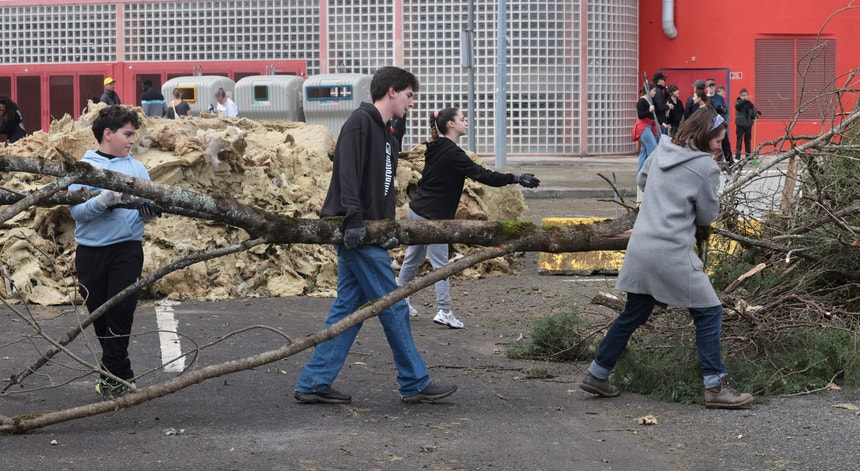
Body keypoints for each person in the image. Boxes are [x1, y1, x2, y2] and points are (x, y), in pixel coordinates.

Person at [294, 66, 457, 405]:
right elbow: (347, 172)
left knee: (347, 310)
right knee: (393, 306)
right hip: (357, 231)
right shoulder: (360, 122)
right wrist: (354, 219)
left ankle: (313, 382)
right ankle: (414, 381)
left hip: (371, 230)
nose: (412, 103)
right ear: (393, 91)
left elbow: (383, 184)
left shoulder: (384, 131)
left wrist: (387, 228)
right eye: (410, 96)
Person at [579, 106, 754, 410]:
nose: (719, 147)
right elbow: (707, 215)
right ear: (704, 137)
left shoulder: (663, 149)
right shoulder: (705, 168)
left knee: (633, 313)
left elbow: (644, 180)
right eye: (716, 142)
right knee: (709, 312)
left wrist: (664, 197)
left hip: (642, 246)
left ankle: (597, 374)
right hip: (671, 251)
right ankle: (715, 387)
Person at [398, 107, 540, 328]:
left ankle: (400, 300)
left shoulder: (435, 147)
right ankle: (443, 310)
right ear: (451, 125)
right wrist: (516, 177)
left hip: (417, 210)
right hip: (434, 217)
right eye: (462, 119)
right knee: (441, 265)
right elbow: (484, 176)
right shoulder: (453, 154)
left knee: (413, 258)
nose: (466, 122)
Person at [68, 106, 161, 401]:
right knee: (101, 317)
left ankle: (109, 378)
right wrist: (103, 200)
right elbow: (78, 213)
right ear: (108, 134)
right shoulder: (84, 168)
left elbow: (149, 211)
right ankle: (123, 374)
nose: (132, 140)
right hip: (91, 253)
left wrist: (148, 214)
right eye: (128, 134)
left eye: (133, 134)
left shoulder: (137, 169)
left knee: (121, 314)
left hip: (127, 250)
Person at [706, 79, 733, 167]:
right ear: (706, 88)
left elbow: (725, 109)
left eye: (713, 86)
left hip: (720, 123)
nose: (712, 88)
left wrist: (723, 109)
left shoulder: (719, 97)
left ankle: (730, 161)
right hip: (709, 124)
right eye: (710, 87)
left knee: (725, 142)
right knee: (709, 143)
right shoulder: (704, 98)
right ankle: (708, 161)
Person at [632, 86, 659, 171]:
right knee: (653, 149)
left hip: (648, 127)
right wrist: (649, 111)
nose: (655, 92)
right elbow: (640, 115)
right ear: (649, 91)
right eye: (654, 90)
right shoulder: (642, 101)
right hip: (643, 128)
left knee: (644, 152)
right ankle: (651, 171)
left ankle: (640, 173)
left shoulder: (649, 101)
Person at [734, 88, 760, 162]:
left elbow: (752, 115)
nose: (745, 96)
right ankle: (737, 157)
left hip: (748, 125)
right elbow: (738, 107)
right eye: (744, 95)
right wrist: (744, 100)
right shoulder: (738, 102)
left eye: (746, 95)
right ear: (741, 96)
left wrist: (756, 114)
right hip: (740, 125)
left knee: (747, 141)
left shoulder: (750, 104)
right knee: (739, 141)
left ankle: (748, 157)